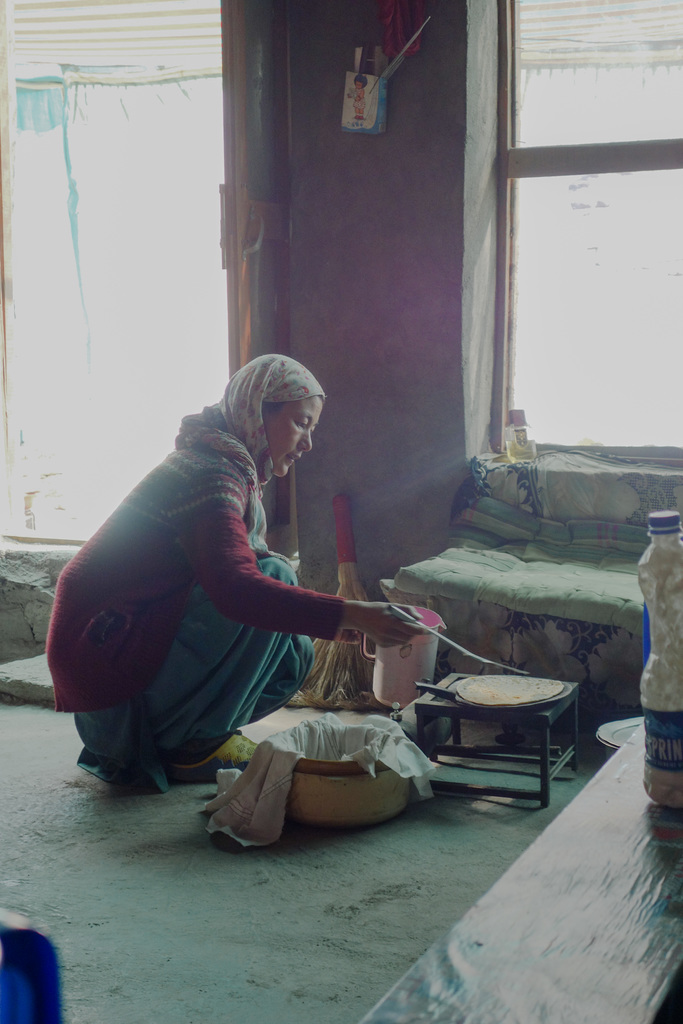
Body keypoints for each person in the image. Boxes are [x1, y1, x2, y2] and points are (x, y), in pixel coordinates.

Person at [46, 354, 426, 791]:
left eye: (312, 428)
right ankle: (186, 744)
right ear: (256, 410)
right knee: (275, 575)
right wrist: (354, 614)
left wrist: (340, 620)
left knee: (294, 650)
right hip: (109, 695)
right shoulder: (209, 475)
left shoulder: (224, 467)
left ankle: (195, 734)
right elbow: (235, 588)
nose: (307, 443)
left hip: (122, 671)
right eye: (301, 423)